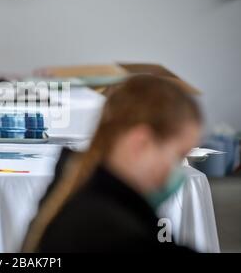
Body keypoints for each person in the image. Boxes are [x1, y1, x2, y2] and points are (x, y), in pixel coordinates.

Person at [23, 75, 203, 252]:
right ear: (141, 143)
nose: (179, 171)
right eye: (180, 156)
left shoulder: (75, 183)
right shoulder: (112, 232)